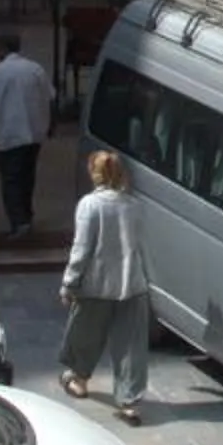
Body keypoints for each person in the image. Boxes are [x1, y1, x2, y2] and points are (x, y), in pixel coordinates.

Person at [59, 149, 151, 422]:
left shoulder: (90, 205)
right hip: (132, 284)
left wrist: (69, 284)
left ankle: (79, 379)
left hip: (96, 284)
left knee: (85, 333)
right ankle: (130, 402)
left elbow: (81, 249)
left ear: (94, 173)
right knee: (131, 346)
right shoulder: (135, 205)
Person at [0, 32, 54, 237]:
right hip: (34, 132)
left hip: (10, 134)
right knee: (27, 177)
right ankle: (26, 216)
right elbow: (48, 97)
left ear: (1, 48)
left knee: (11, 179)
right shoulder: (35, 68)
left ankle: (19, 221)